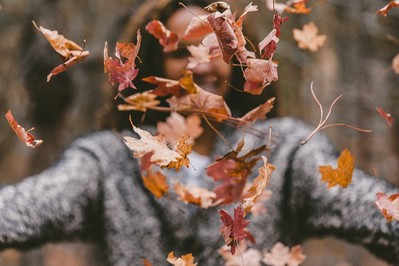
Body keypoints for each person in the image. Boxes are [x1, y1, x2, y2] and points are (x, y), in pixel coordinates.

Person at [0, 0, 398, 265]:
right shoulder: (110, 160)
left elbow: (375, 212)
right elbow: (26, 207)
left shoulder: (286, 151)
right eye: (179, 54)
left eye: (215, 50)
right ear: (154, 67)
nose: (200, 65)